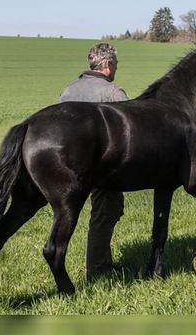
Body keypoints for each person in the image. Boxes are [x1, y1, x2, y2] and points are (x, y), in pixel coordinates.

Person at [59, 43, 127, 280]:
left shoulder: (67, 92)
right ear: (108, 65)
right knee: (106, 212)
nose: (116, 68)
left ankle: (97, 263)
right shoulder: (113, 93)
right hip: (103, 168)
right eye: (116, 64)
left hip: (68, 167)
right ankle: (98, 270)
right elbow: (128, 136)